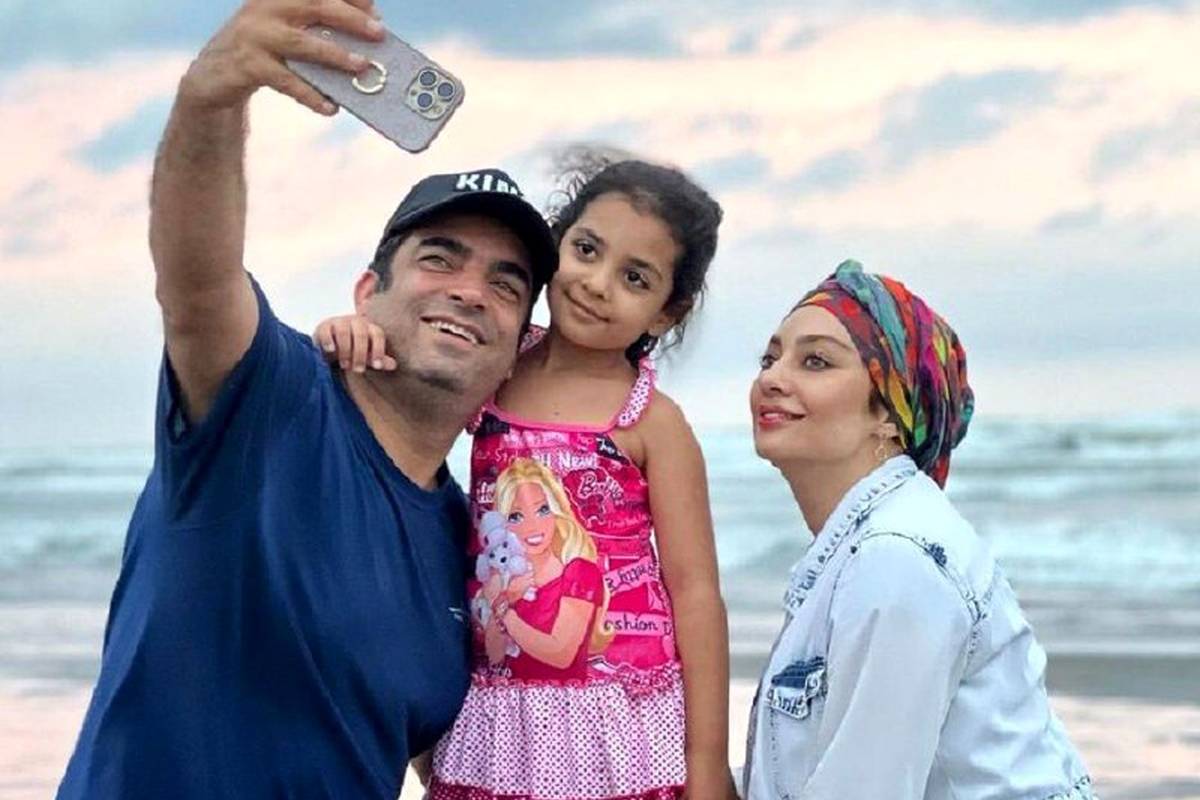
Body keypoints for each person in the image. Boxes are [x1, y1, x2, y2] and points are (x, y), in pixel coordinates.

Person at [56, 0, 557, 797]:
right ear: (367, 292)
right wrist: (211, 97)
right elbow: (197, 281)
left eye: (506, 284)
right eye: (439, 259)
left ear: (516, 350)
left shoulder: (475, 543)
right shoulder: (270, 403)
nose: (470, 292)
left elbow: (452, 766)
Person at [315, 155, 735, 799]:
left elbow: (696, 593)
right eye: (586, 250)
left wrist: (706, 766)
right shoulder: (496, 366)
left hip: (615, 723)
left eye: (635, 277)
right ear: (554, 246)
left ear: (665, 313)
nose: (597, 283)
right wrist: (349, 331)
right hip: (498, 709)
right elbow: (399, 389)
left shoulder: (652, 421)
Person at [741, 260, 1094, 799]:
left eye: (815, 361)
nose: (772, 378)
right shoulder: (859, 550)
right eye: (770, 358)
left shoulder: (895, 558)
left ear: (890, 409)